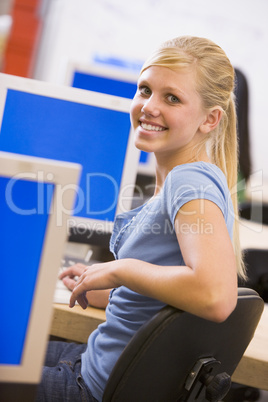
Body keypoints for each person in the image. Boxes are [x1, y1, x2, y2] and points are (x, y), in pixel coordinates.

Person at [36, 35, 246, 402]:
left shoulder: (188, 180)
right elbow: (169, 295)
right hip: (96, 364)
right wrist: (110, 290)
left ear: (210, 119)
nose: (149, 106)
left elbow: (215, 297)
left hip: (95, 388)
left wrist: (121, 270)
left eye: (172, 98)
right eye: (145, 89)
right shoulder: (182, 179)